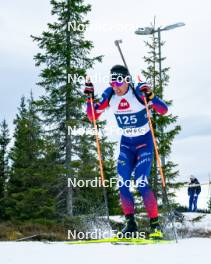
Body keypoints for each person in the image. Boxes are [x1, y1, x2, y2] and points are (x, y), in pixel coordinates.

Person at [84, 65, 168, 239]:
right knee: (122, 183)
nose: (115, 85)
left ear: (127, 80)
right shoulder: (110, 95)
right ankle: (131, 224)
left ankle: (155, 226)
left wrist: (150, 95)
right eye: (112, 81)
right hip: (126, 146)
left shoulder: (138, 93)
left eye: (119, 81)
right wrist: (89, 98)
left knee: (141, 181)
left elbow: (164, 110)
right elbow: (92, 116)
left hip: (144, 144)